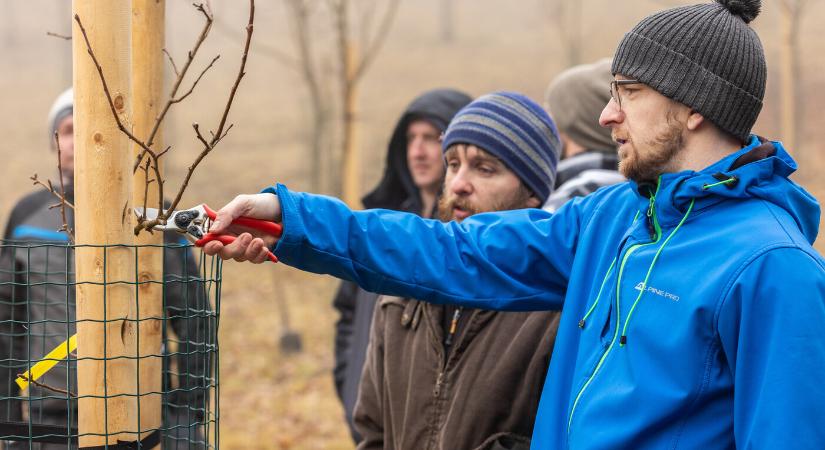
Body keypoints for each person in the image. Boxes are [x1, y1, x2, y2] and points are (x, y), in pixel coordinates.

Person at [205, 0, 825, 448]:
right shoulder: (613, 218)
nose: (607, 115)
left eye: (628, 92)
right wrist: (294, 221)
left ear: (693, 108)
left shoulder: (774, 269)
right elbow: (452, 253)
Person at [0, 89, 213, 449]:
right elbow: (6, 323)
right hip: (46, 419)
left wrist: (185, 416)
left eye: (90, 129)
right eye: (68, 130)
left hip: (142, 417)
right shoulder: (25, 218)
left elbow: (194, 319)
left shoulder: (153, 216)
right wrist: (8, 417)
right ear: (55, 144)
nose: (79, 140)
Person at [354, 93, 561, 450]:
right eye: (453, 164)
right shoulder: (402, 293)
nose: (458, 183)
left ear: (532, 194)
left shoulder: (555, 310)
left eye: (484, 168)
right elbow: (373, 432)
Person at [331, 88, 471, 442]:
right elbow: (348, 312)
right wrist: (351, 389)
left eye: (430, 138)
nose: (418, 151)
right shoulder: (378, 228)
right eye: (410, 138)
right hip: (376, 426)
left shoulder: (464, 239)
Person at [542, 58, 625, 212]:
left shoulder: (577, 194)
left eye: (551, 112)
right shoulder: (631, 184)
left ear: (576, 122)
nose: (544, 122)